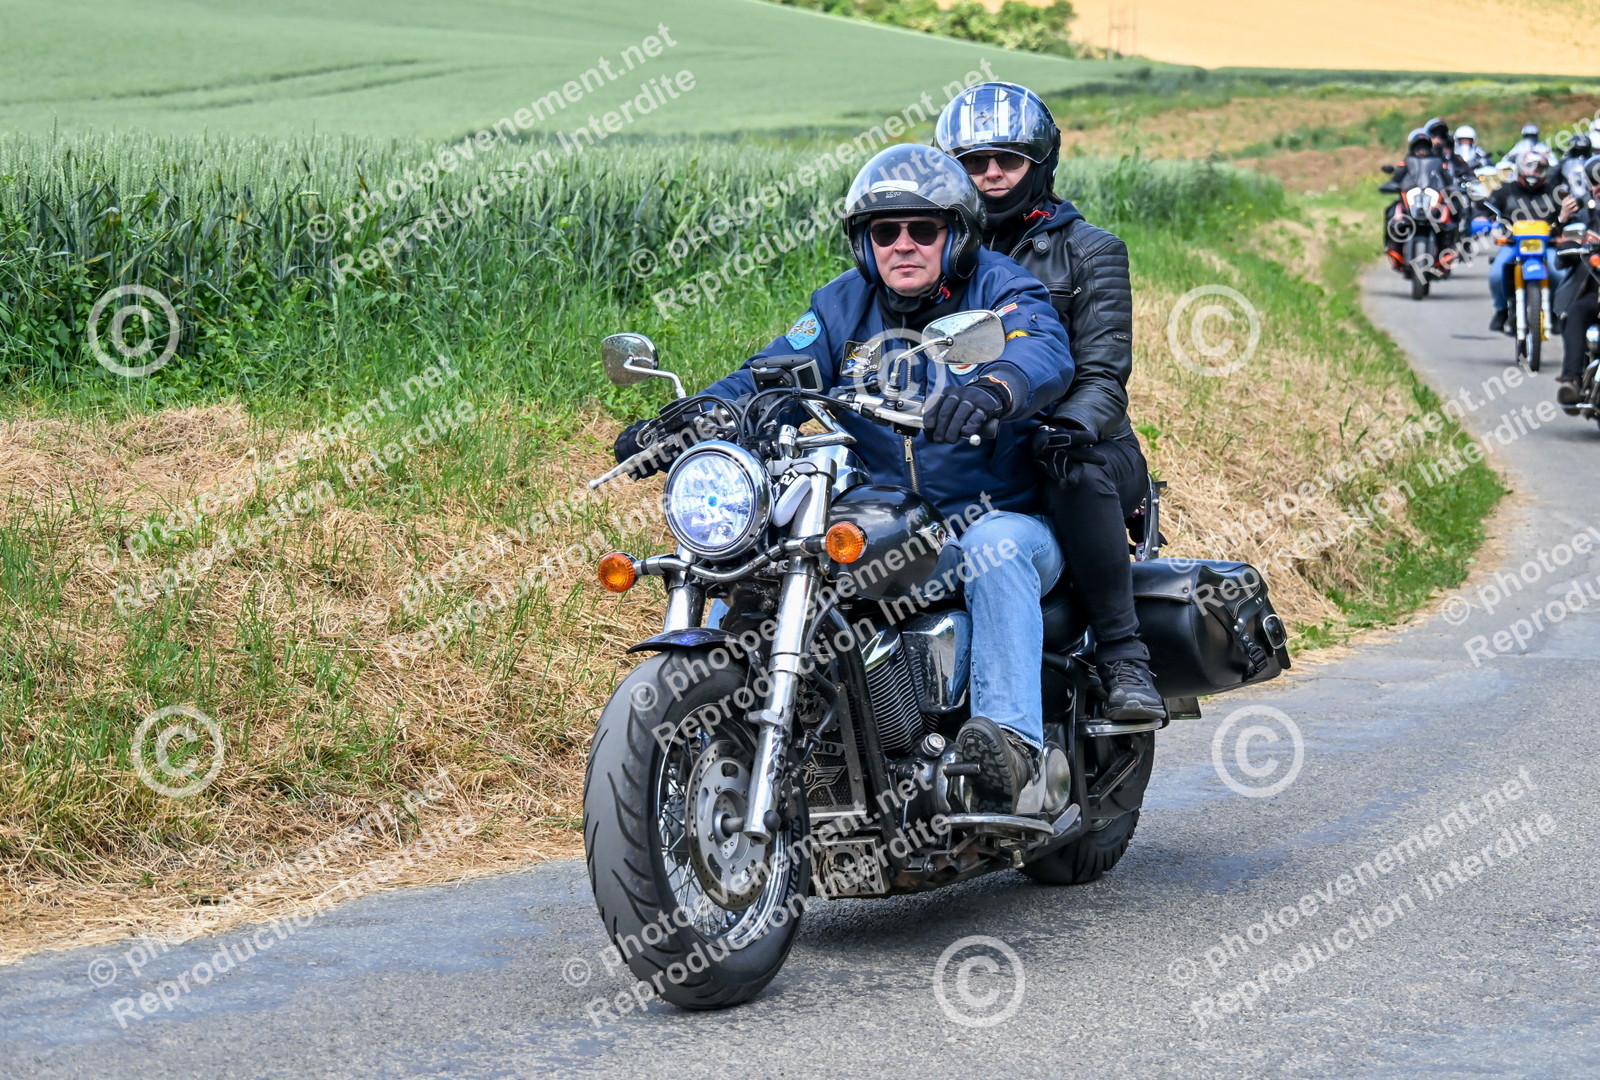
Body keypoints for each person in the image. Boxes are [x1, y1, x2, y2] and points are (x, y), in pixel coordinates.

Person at [615, 144, 1076, 816]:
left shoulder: (1001, 288)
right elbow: (772, 374)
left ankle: (1010, 749)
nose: (903, 245)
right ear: (865, 243)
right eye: (885, 231)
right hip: (886, 518)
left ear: (957, 235)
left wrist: (995, 388)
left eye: (924, 229)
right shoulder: (839, 306)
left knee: (992, 549)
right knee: (765, 556)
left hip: (998, 516)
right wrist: (690, 420)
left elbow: (1041, 348)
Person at [933, 81, 1166, 727]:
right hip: (974, 448)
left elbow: (1104, 375)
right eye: (974, 162)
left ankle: (1123, 655)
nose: (990, 174)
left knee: (1071, 470)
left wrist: (1067, 425)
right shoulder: (934, 251)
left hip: (1090, 448)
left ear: (1041, 163)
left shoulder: (1090, 251)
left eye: (1007, 160)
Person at [1486, 149, 1572, 333]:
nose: (1534, 172)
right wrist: (1481, 219)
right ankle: (1501, 311)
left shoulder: (1555, 192)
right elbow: (1486, 209)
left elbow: (1571, 216)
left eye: (1539, 168)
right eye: (1529, 166)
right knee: (1496, 275)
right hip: (1513, 244)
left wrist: (1566, 222)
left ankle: (1556, 312)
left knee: (1559, 274)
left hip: (1547, 244)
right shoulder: (1505, 190)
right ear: (1520, 166)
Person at [1554, 155, 1600, 403]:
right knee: (1575, 313)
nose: (1599, 187)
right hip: (1592, 291)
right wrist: (1563, 220)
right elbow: (1562, 254)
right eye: (1595, 182)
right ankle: (1571, 379)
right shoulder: (1583, 217)